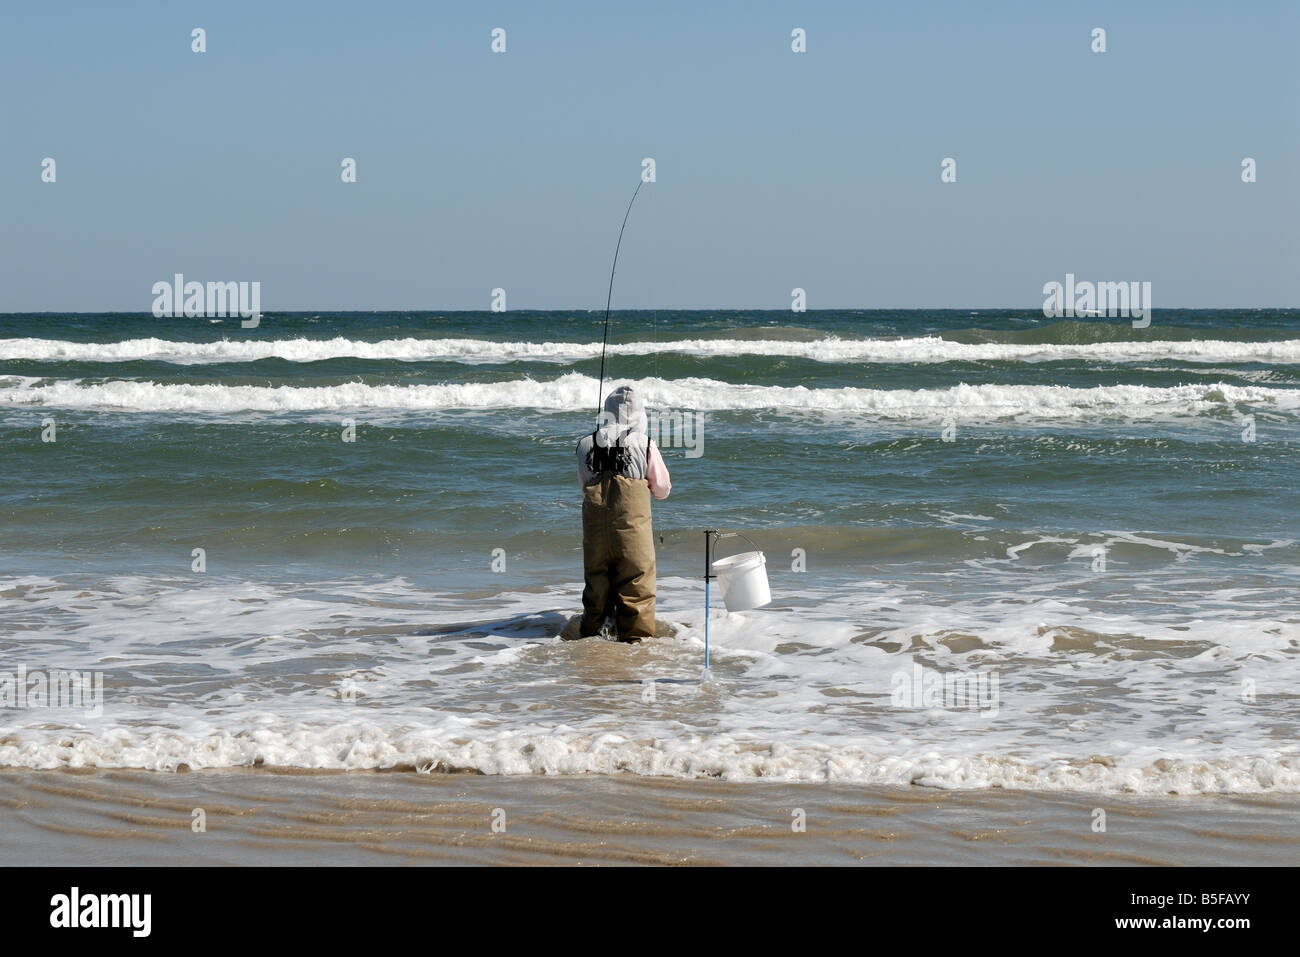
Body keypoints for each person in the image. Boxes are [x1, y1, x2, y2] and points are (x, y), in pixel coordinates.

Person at [575, 385, 671, 641]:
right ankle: (634, 646)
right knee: (636, 584)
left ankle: (592, 643)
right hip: (631, 529)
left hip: (595, 530)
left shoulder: (584, 443)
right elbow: (662, 489)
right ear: (639, 414)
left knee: (596, 584)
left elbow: (584, 486)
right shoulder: (645, 443)